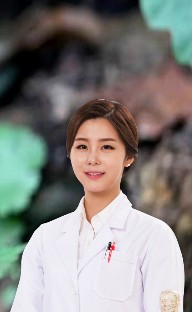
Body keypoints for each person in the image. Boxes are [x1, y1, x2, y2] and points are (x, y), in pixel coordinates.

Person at [11, 99, 185, 311]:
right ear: (70, 153)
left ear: (129, 156)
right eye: (82, 146)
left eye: (107, 147)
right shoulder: (44, 238)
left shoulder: (155, 238)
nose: (92, 158)